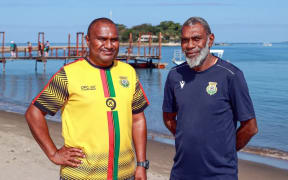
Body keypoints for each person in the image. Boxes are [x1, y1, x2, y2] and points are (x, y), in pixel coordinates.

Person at [25, 18, 149, 180]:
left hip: (126, 174)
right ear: (88, 41)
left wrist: (141, 164)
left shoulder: (128, 72)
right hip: (80, 175)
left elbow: (137, 118)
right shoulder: (69, 74)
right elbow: (34, 113)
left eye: (114, 40)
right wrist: (53, 153)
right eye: (102, 39)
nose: (109, 45)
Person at [162, 17, 258, 180]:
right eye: (185, 40)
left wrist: (224, 151)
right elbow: (169, 118)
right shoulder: (175, 75)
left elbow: (250, 127)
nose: (190, 45)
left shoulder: (231, 75)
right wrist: (189, 141)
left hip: (220, 174)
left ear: (210, 39)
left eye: (196, 39)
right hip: (181, 172)